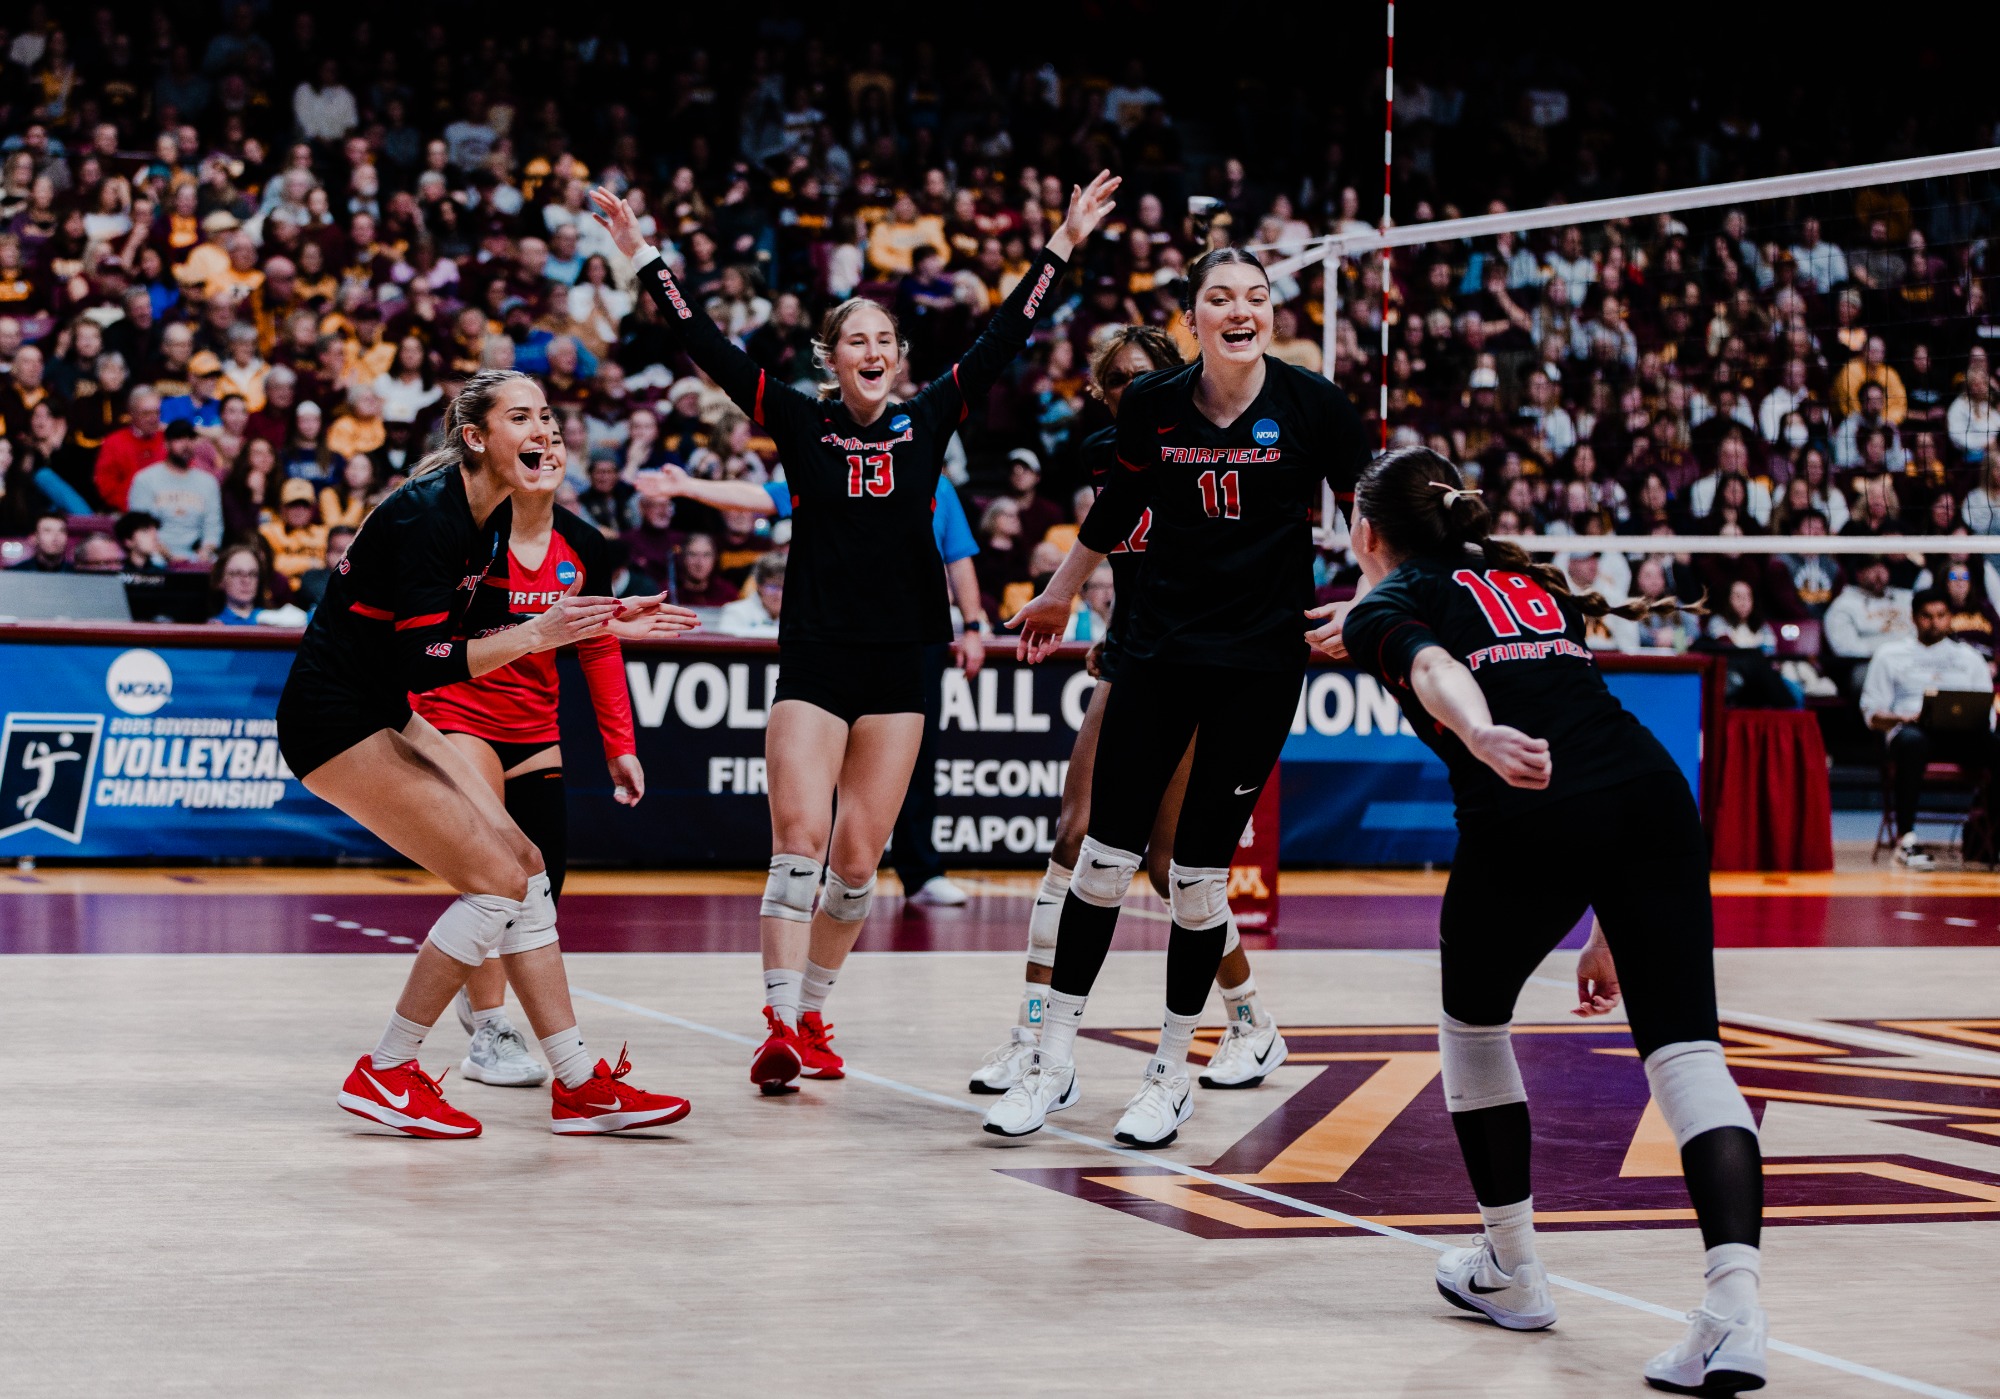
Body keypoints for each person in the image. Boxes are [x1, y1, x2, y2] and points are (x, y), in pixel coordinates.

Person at [595, 172, 1119, 1095]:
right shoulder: (799, 421)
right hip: (816, 656)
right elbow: (703, 343)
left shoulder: (933, 415)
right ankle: (774, 1020)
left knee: (856, 865)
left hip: (902, 659)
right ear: (830, 359)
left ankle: (812, 1014)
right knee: (797, 845)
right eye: (856, 341)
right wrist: (643, 254)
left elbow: (1009, 333)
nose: (872, 351)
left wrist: (1064, 242)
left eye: (884, 340)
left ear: (899, 357)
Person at [1327, 445, 1768, 1395]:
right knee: (1690, 1057)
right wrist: (1611, 920)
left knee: (1472, 1024)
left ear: (1364, 533)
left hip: (1529, 805)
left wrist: (1479, 732)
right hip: (1650, 798)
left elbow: (1440, 664)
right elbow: (1507, 665)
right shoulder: (1527, 579)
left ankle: (1512, 1267)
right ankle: (1736, 1316)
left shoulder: (1387, 606)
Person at [987, 247, 1367, 1145]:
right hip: (1154, 654)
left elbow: (1369, 519)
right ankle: (1050, 1062)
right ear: (1192, 318)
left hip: (1258, 668)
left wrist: (1369, 607)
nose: (1241, 311)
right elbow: (1117, 508)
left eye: (1256, 297)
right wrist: (1062, 588)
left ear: (1271, 312)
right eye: (1220, 298)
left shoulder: (1317, 405)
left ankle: (1169, 1073)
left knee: (1195, 877)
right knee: (1102, 860)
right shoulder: (1155, 407)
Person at [277, 368, 692, 1139]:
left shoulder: (490, 518)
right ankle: (388, 1068)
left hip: (382, 709)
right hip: (334, 718)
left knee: (526, 865)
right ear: (476, 437)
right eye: (521, 418)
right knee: (496, 880)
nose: (542, 430)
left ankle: (576, 1084)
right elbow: (429, 659)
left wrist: (602, 616)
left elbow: (501, 614)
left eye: (546, 415)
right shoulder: (425, 516)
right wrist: (543, 633)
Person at [970, 324, 1292, 1097]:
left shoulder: (1212, 444)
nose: (1125, 388)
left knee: (1169, 868)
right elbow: (1124, 558)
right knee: (1074, 835)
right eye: (1112, 378)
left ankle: (1250, 1020)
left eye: (1139, 374)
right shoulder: (1100, 454)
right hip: (1134, 656)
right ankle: (1035, 1035)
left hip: (1199, 661)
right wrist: (1108, 628)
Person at [412, 421, 682, 1082]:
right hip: (455, 715)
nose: (548, 446)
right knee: (494, 873)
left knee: (540, 888)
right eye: (534, 435)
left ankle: (487, 1010)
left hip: (534, 727)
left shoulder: (584, 542)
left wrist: (621, 745)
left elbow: (596, 643)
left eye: (559, 437)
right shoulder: (470, 534)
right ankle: (492, 1030)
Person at [1860, 587, 2000, 871]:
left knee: (1997, 745)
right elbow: (1872, 714)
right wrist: (1902, 717)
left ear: (1951, 617)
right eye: (1927, 616)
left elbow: (1987, 712)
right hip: (1912, 731)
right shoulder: (1890, 655)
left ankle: (1995, 838)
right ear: (1913, 618)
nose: (1934, 622)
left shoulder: (1969, 657)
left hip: (1960, 735)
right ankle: (1906, 840)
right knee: (1912, 743)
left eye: (1941, 615)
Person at [127, 420, 223, 562]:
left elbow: (213, 526)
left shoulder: (208, 482)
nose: (186, 445)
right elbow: (140, 527)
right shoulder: (145, 479)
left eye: (190, 439)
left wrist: (206, 550)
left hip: (196, 555)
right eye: (179, 439)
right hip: (155, 554)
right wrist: (167, 555)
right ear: (166, 444)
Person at [715, 551, 785, 637]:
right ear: (759, 586)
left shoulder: (800, 617)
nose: (779, 594)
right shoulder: (735, 613)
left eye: (785, 588)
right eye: (773, 587)